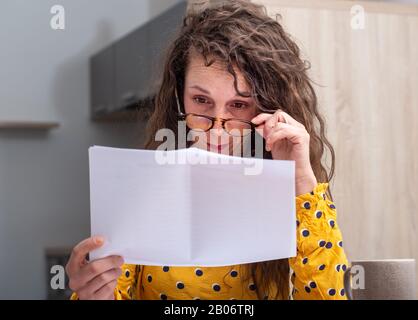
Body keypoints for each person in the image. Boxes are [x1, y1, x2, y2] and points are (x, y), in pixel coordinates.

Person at [67, 0, 348, 300]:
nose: (216, 130)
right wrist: (94, 293)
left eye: (238, 105)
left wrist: (300, 182)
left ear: (266, 106)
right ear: (179, 97)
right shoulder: (142, 191)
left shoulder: (285, 191)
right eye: (201, 101)